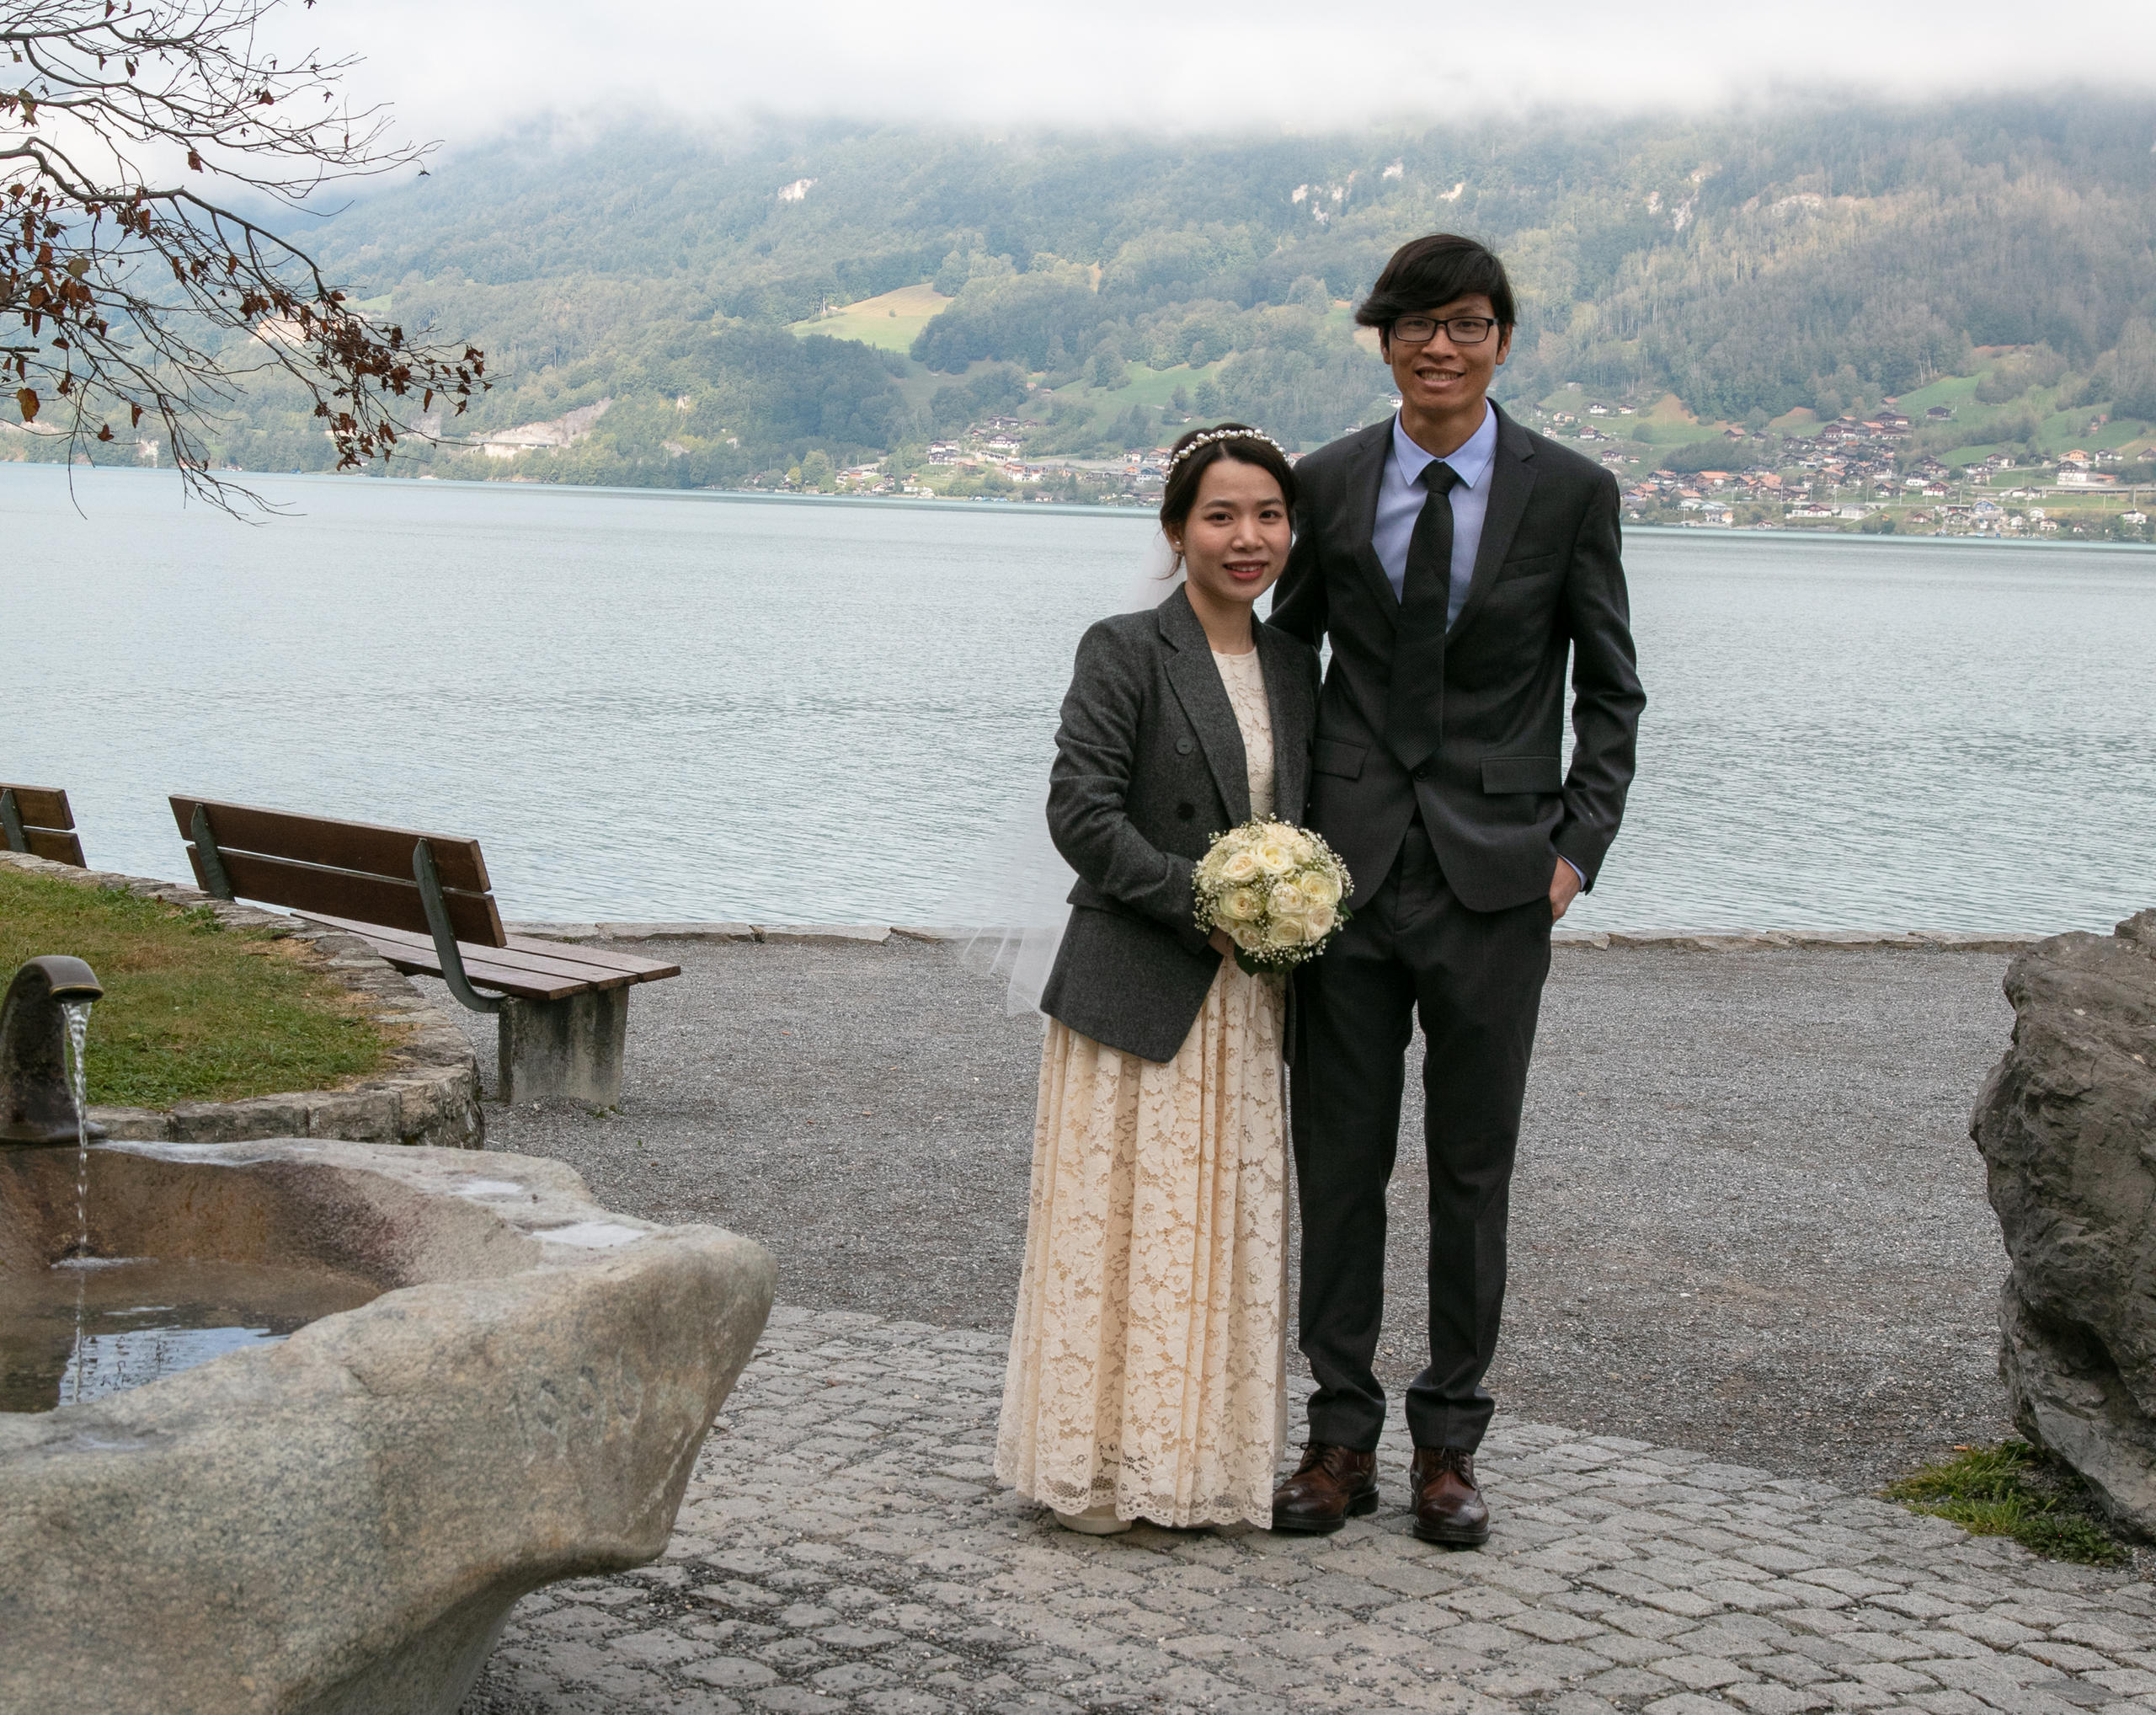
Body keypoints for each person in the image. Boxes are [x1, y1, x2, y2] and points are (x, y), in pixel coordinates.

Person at [1267, 233, 1646, 1544]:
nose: (1443, 344)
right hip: (1346, 882)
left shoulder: (1571, 492)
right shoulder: (1321, 482)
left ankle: (1450, 1445)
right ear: (1383, 338)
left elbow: (1612, 686)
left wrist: (1575, 849)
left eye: (1470, 323)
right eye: (1419, 323)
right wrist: (1275, 842)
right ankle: (1337, 1439)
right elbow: (1283, 656)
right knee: (1342, 1166)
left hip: (1498, 883)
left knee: (1471, 1169)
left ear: (1502, 340)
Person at [994, 424, 1321, 1534]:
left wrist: (1284, 912)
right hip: (1141, 982)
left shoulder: (1295, 665)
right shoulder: (1123, 648)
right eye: (1222, 515)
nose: (1248, 537)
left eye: (1268, 516)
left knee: (1221, 1232)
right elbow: (1078, 812)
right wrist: (1206, 904)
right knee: (1122, 1231)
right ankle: (1097, 1471)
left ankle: (1202, 1469)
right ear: (1177, 528)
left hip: (1247, 1005)